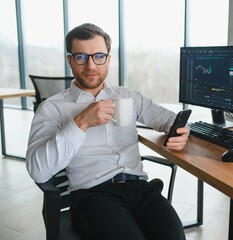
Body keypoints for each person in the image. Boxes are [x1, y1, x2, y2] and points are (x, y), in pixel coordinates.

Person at [26, 23, 189, 240]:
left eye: (99, 56)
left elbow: (166, 118)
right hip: (93, 194)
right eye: (81, 56)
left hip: (140, 189)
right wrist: (80, 123)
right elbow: (38, 170)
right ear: (70, 61)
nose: (91, 65)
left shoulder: (126, 96)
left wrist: (177, 130)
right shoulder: (53, 108)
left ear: (108, 60)